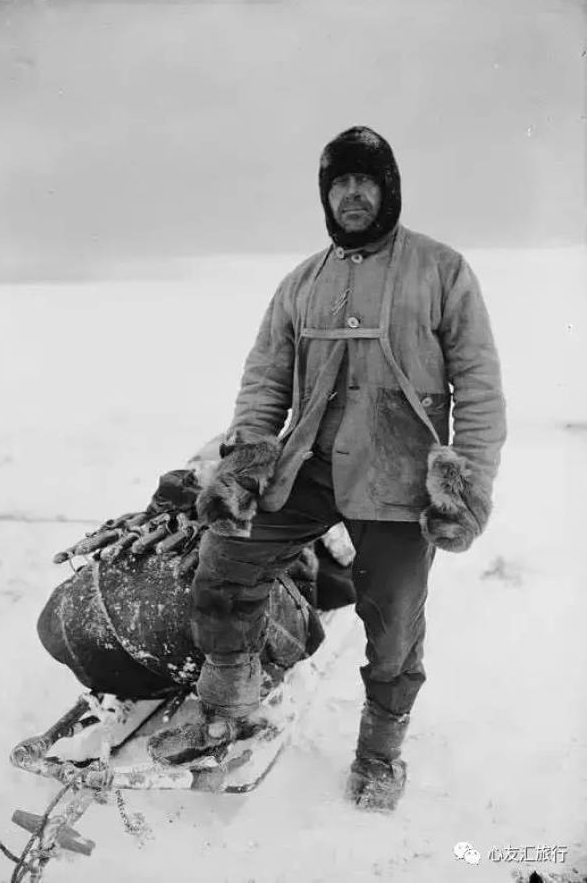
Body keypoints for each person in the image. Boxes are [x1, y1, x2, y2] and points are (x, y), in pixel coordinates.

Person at [159, 126, 507, 812]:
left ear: (389, 188)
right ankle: (229, 706)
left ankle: (379, 758)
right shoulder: (303, 283)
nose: (352, 194)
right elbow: (265, 381)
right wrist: (245, 465)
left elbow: (480, 384)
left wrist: (467, 483)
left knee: (395, 624)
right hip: (309, 467)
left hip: (398, 478)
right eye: (339, 183)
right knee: (225, 557)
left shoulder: (442, 270)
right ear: (325, 195)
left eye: (364, 181)